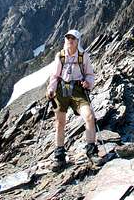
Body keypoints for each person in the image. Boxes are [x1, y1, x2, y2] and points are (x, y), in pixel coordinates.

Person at [46, 29, 96, 171]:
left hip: (78, 90)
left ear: (78, 41)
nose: (70, 40)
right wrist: (51, 89)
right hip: (62, 90)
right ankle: (59, 156)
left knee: (89, 116)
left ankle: (92, 151)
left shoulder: (83, 56)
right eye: (68, 38)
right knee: (60, 122)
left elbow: (89, 74)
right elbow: (55, 76)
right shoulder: (60, 56)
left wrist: (88, 83)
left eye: (73, 38)